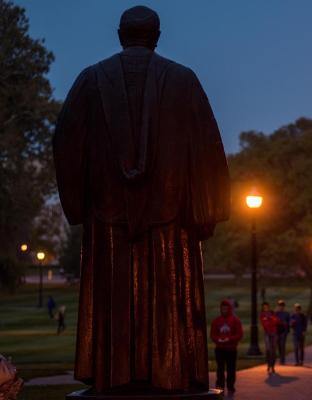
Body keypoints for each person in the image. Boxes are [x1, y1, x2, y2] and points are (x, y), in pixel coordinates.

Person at [52, 5, 230, 393]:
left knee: (113, 298)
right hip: (172, 218)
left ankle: (112, 373)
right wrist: (206, 212)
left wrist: (81, 203)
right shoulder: (184, 81)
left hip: (109, 216)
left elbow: (65, 141)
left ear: (120, 35)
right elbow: (207, 148)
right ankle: (170, 372)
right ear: (157, 37)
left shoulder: (91, 80)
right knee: (170, 297)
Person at [210, 300, 243, 394]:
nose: (224, 310)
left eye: (226, 308)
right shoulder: (216, 321)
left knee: (231, 369)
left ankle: (230, 386)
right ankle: (220, 387)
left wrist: (229, 339)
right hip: (220, 349)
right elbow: (213, 334)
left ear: (229, 309)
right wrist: (218, 340)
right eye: (222, 308)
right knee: (220, 368)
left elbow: (239, 334)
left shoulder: (235, 320)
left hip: (231, 349)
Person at [260, 302, 280, 374]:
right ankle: (268, 365)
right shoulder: (262, 315)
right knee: (268, 349)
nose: (266, 308)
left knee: (273, 350)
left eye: (267, 307)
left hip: (274, 333)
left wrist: (270, 318)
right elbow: (264, 324)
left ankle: (273, 366)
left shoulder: (272, 313)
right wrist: (270, 320)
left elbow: (277, 321)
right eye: (264, 307)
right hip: (267, 334)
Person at [275, 300, 291, 365]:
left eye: (282, 306)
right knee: (278, 345)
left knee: (282, 345)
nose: (281, 307)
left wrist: (286, 325)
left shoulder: (286, 314)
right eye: (280, 306)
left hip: (283, 331)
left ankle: (282, 360)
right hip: (277, 331)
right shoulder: (276, 313)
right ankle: (280, 358)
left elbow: (289, 322)